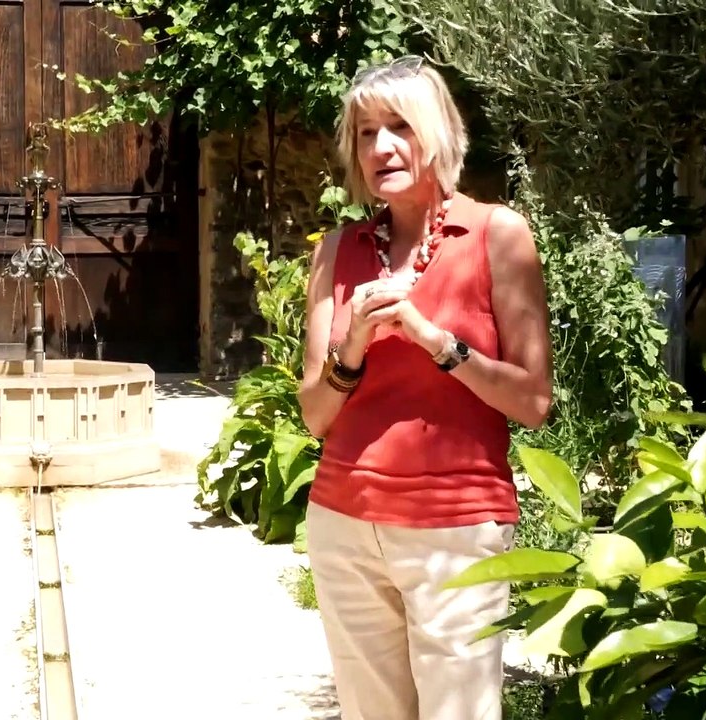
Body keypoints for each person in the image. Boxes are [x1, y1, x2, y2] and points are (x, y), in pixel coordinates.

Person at [298, 56, 554, 720]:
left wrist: (438, 342)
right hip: (344, 525)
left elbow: (533, 402)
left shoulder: (498, 235)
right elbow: (314, 415)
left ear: (436, 131)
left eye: (399, 127)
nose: (381, 147)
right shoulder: (336, 251)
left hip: (457, 531)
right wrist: (350, 348)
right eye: (365, 132)